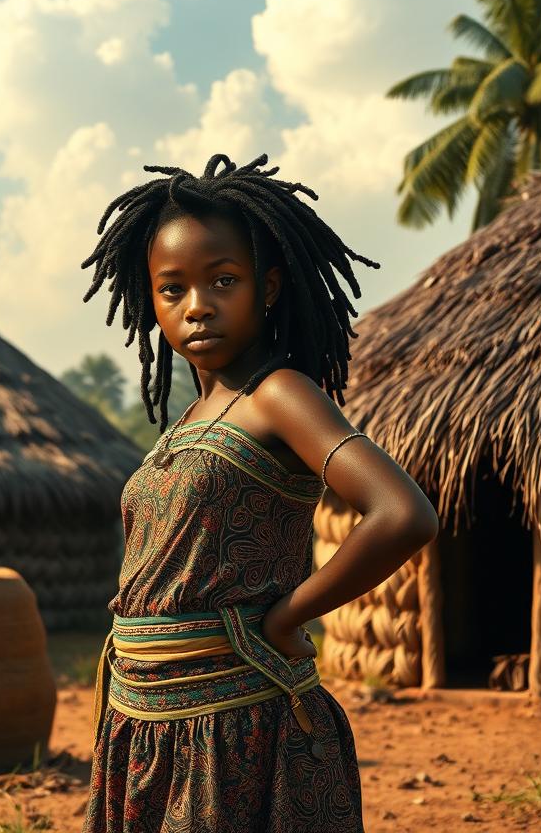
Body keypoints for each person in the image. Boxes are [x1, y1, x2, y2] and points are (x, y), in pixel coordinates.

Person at [79, 153, 441, 833]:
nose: (198, 306)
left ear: (268, 288)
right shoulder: (184, 422)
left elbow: (402, 514)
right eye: (172, 289)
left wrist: (284, 618)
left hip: (233, 725)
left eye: (223, 280)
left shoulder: (279, 394)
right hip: (142, 721)